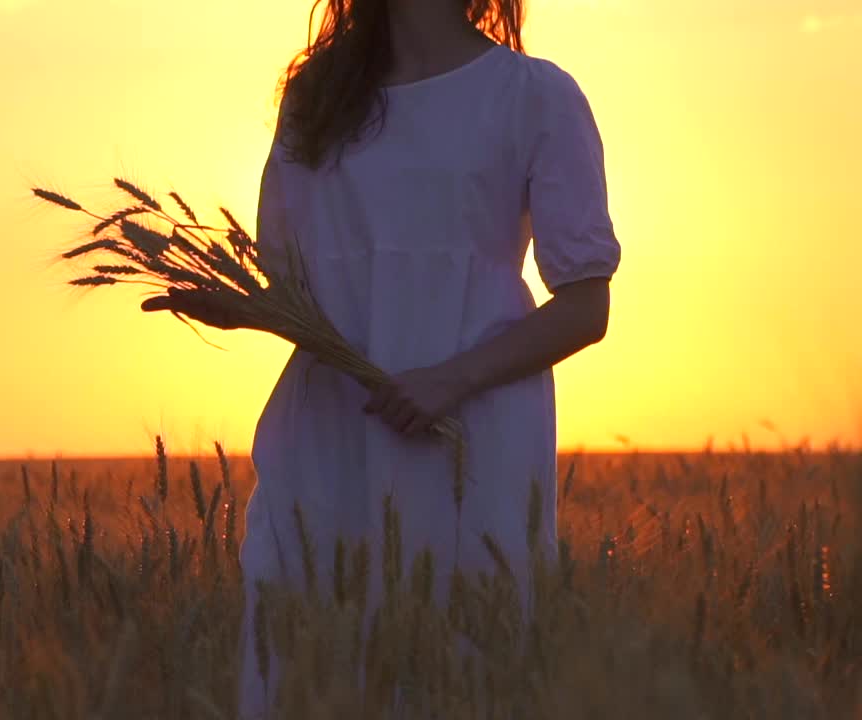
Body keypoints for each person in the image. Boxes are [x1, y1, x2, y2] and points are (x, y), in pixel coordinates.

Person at [142, 0, 620, 716]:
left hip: (470, 441)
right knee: (307, 669)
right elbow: (299, 291)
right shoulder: (318, 98)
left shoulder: (536, 96)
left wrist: (447, 382)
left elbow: (587, 307)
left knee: (461, 670)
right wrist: (242, 308)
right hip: (332, 431)